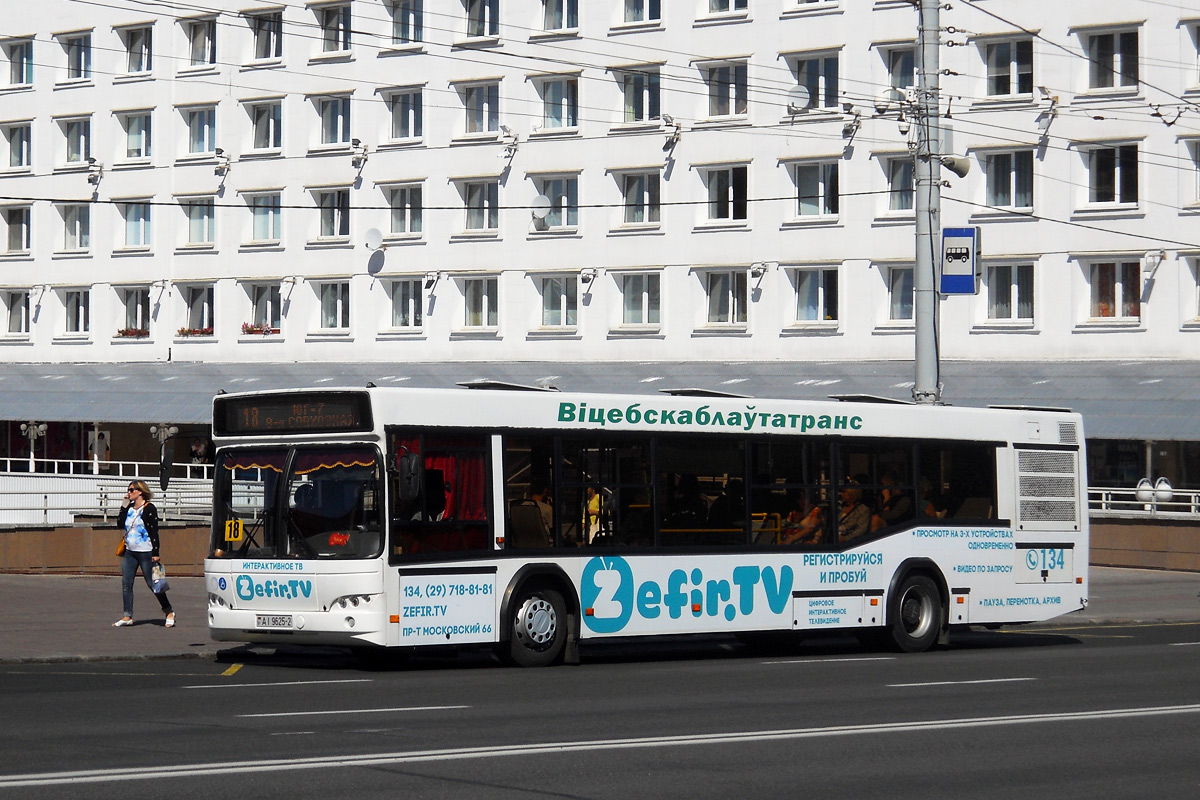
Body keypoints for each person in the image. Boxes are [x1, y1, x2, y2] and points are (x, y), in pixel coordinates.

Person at [113, 480, 174, 628]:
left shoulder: (149, 508)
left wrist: (156, 552)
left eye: (131, 490)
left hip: (146, 552)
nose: (129, 493)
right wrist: (123, 506)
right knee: (126, 584)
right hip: (130, 552)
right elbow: (120, 524)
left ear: (140, 492)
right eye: (128, 490)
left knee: (154, 584)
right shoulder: (129, 508)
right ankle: (127, 615)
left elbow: (154, 531)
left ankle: (169, 611)